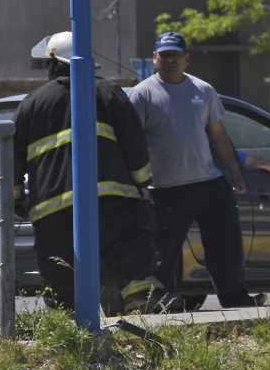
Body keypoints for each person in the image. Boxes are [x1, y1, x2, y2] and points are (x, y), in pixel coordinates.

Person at [13, 31, 168, 313]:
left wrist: (16, 199)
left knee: (62, 278)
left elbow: (12, 161)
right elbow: (135, 145)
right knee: (129, 258)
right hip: (111, 201)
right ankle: (141, 308)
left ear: (53, 64)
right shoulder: (108, 93)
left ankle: (69, 332)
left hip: (51, 210)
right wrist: (143, 183)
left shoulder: (31, 104)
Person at [128, 31, 261, 308]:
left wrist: (234, 171)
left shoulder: (204, 90)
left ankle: (235, 298)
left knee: (225, 245)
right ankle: (162, 301)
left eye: (176, 54)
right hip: (165, 189)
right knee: (164, 252)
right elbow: (133, 143)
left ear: (186, 58)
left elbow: (218, 135)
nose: (170, 60)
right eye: (164, 55)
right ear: (155, 58)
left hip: (208, 183)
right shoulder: (142, 94)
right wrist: (139, 185)